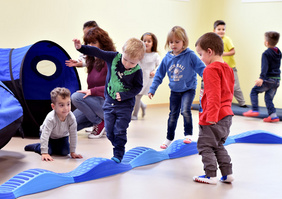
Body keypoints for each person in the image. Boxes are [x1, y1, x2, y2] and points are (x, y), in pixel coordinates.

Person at [72, 37, 145, 163]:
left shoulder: (137, 71)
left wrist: (124, 95)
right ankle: (116, 144)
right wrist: (81, 48)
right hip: (109, 103)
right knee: (110, 132)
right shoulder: (114, 57)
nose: (127, 65)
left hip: (125, 106)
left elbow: (138, 88)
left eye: (132, 63)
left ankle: (118, 154)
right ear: (122, 51)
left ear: (139, 60)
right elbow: (96, 51)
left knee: (120, 130)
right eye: (125, 60)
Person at [148, 26, 206, 149]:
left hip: (188, 89)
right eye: (171, 42)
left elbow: (201, 68)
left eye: (177, 42)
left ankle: (188, 134)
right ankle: (169, 138)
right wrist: (152, 89)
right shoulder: (167, 58)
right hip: (174, 90)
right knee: (173, 115)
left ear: (183, 42)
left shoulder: (190, 55)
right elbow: (159, 75)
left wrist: (210, 79)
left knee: (185, 110)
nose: (173, 44)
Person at [193, 32, 234, 185]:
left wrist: (210, 117)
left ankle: (210, 175)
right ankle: (227, 173)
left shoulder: (210, 69)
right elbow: (228, 93)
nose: (200, 58)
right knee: (218, 145)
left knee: (205, 145)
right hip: (227, 115)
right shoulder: (228, 68)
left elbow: (214, 96)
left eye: (201, 54)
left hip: (213, 117)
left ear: (209, 51)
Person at [69, 27, 116, 139]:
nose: (90, 45)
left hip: (106, 102)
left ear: (102, 43)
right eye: (88, 43)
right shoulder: (91, 60)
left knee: (76, 97)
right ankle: (98, 121)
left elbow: (113, 87)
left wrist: (92, 91)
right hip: (94, 103)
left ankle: (100, 121)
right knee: (68, 125)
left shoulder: (111, 60)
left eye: (94, 42)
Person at [24, 87, 83, 161]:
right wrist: (44, 152)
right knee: (48, 151)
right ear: (53, 106)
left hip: (62, 137)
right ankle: (37, 146)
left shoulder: (71, 118)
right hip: (49, 137)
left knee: (65, 152)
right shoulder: (51, 118)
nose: (66, 108)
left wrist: (73, 152)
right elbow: (45, 135)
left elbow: (73, 134)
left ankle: (53, 146)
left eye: (68, 104)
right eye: (62, 105)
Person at [243, 31, 281, 122]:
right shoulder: (278, 52)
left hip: (268, 79)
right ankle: (273, 116)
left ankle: (255, 109)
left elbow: (265, 67)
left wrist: (261, 78)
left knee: (254, 91)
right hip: (277, 80)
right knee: (268, 98)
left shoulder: (266, 53)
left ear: (266, 42)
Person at [213, 20, 247, 108]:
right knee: (219, 86)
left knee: (235, 87)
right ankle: (221, 102)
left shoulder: (227, 40)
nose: (221, 31)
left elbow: (233, 51)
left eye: (223, 29)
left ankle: (242, 103)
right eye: (219, 29)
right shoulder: (214, 41)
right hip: (220, 68)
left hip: (230, 67)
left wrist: (222, 54)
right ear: (214, 30)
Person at [132, 32, 161, 120]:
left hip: (148, 79)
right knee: (136, 95)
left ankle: (135, 115)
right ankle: (143, 106)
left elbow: (160, 66)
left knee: (137, 96)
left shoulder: (155, 55)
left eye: (149, 41)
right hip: (139, 77)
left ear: (153, 43)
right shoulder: (140, 54)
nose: (146, 43)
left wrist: (155, 71)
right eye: (144, 41)